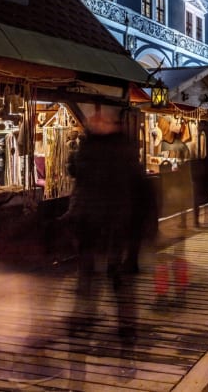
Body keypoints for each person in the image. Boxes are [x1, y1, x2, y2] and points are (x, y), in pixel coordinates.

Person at [63, 108, 148, 351]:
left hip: (113, 228)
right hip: (94, 227)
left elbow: (140, 197)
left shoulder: (118, 153)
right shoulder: (90, 150)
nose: (93, 120)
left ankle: (122, 328)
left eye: (100, 118)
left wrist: (138, 238)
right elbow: (80, 185)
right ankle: (90, 322)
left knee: (113, 280)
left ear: (112, 124)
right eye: (93, 117)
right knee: (93, 278)